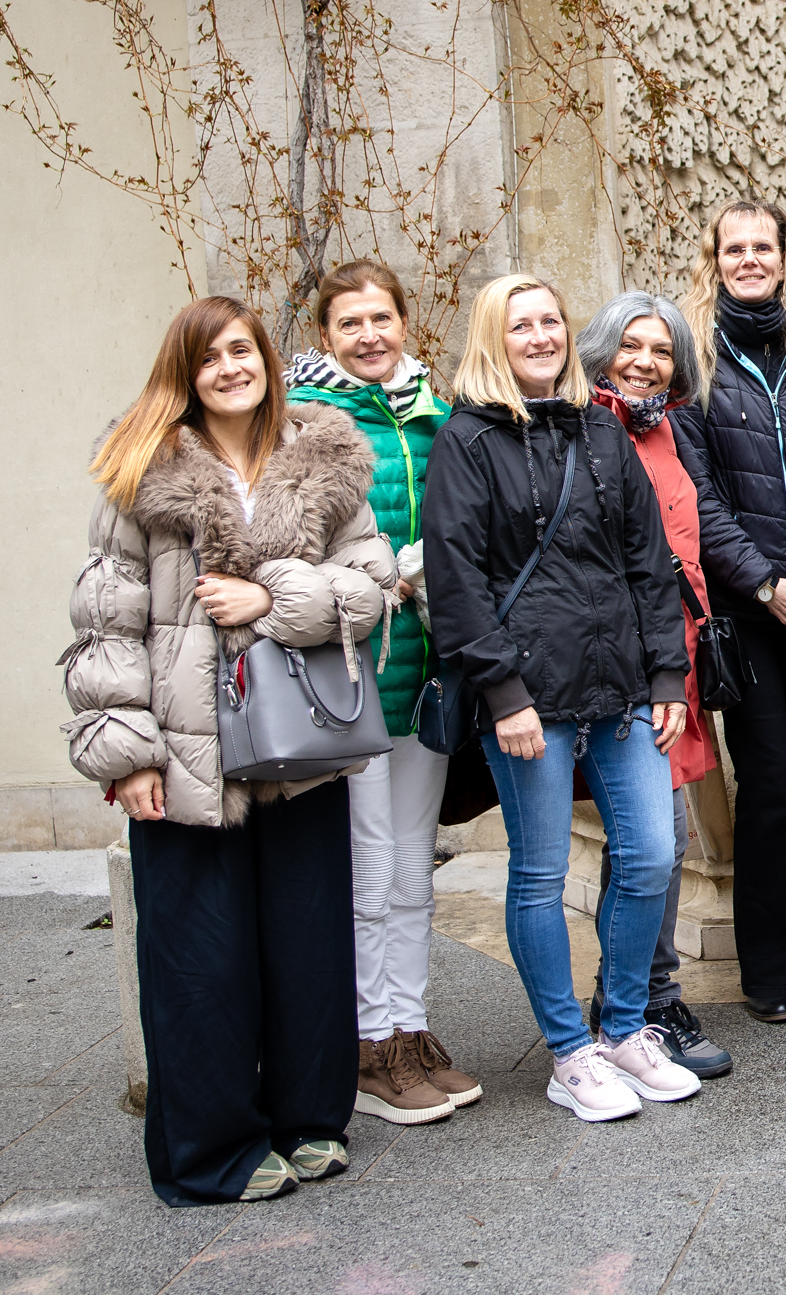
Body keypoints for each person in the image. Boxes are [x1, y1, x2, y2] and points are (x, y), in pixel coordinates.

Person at [64, 297, 392, 1204]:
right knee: (200, 960)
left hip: (299, 748)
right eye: (209, 357)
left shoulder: (322, 460)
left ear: (266, 360)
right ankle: (211, 1150)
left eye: (242, 350)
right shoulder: (143, 472)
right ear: (186, 373)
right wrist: (128, 755)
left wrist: (273, 597)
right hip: (185, 755)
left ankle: (308, 1119)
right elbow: (105, 622)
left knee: (306, 945)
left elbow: (372, 586)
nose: (229, 368)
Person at [422, 275, 695, 1122]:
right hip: (529, 698)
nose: (541, 335)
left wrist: (668, 674)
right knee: (539, 872)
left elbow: (649, 561)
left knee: (650, 855)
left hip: (621, 686)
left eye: (550, 321)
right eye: (522, 325)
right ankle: (569, 1052)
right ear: (492, 339)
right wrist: (503, 692)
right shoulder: (467, 440)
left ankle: (623, 1029)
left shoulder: (600, 430)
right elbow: (456, 579)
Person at [283, 260, 473, 1127]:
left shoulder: (436, 414)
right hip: (348, 673)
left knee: (410, 861)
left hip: (425, 670)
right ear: (326, 335)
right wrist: (369, 580)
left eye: (381, 319)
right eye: (350, 323)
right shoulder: (306, 422)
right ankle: (368, 1042)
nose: (369, 336)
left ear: (404, 322)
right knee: (367, 871)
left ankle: (411, 1024)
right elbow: (285, 546)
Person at [673, 198, 786, 1022]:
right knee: (770, 783)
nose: (749, 259)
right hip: (746, 611)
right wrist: (763, 584)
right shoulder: (692, 362)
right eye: (734, 248)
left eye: (763, 246)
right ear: (714, 260)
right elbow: (698, 496)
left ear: (785, 258)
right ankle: (773, 971)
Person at [574, 292, 732, 1081]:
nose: (644, 361)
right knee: (653, 841)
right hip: (626, 668)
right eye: (630, 345)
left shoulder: (664, 426)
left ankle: (630, 996)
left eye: (662, 349)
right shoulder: (588, 427)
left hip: (678, 660)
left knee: (659, 844)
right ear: (600, 349)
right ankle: (644, 999)